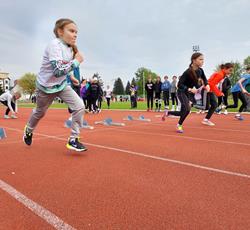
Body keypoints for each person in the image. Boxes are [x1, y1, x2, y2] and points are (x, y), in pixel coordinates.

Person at [23, 18, 87, 151]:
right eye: (71, 31)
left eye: (76, 32)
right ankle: (29, 130)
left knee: (80, 106)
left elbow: (63, 66)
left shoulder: (70, 49)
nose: (75, 34)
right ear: (60, 32)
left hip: (62, 85)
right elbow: (57, 70)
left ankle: (73, 139)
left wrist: (71, 76)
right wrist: (77, 61)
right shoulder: (54, 45)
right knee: (40, 112)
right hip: (45, 87)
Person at [162, 52, 209, 133]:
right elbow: (179, 84)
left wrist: (207, 85)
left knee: (185, 111)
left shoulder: (200, 70)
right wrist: (190, 89)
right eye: (200, 59)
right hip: (181, 92)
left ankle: (168, 112)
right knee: (187, 108)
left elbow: (204, 78)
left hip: (188, 93)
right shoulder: (187, 72)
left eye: (203, 59)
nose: (202, 61)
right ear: (194, 60)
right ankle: (179, 125)